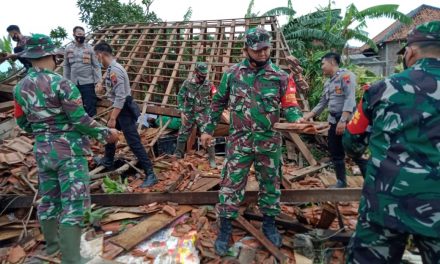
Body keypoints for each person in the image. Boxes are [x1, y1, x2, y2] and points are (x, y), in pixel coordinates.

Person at [13, 34, 119, 263]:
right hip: (68, 153)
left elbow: (21, 123)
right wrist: (106, 134)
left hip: (42, 151)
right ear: (51, 55)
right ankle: (72, 258)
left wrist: (44, 132)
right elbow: (80, 120)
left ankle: (52, 248)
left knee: (49, 200)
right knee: (74, 203)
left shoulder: (19, 89)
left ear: (30, 58)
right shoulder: (63, 84)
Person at [343, 21, 440, 263]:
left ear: (411, 52)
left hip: (385, 204)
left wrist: (366, 161)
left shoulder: (383, 88)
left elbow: (352, 141)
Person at [200, 27, 303, 256]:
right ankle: (225, 227)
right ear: (246, 48)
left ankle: (269, 223)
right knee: (231, 183)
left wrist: (298, 121)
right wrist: (207, 129)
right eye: (257, 50)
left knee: (270, 183)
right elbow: (217, 103)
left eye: (266, 49)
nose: (262, 54)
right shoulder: (232, 74)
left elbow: (291, 105)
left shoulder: (281, 76)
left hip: (269, 141)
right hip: (239, 141)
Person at [93, 41, 158, 188]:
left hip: (124, 110)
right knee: (108, 133)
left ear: (100, 55)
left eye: (96, 56)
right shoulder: (110, 69)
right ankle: (108, 159)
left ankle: (151, 174)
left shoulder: (115, 70)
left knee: (134, 142)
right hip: (120, 108)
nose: (95, 59)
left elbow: (121, 97)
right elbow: (115, 92)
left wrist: (113, 117)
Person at [300, 52, 367, 188]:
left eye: (323, 64)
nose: (322, 67)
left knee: (355, 152)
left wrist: (343, 120)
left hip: (346, 121)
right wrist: (308, 115)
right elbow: (322, 102)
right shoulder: (328, 82)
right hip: (333, 121)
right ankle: (341, 182)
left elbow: (350, 98)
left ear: (332, 63)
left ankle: (371, 183)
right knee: (336, 153)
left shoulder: (346, 76)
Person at [175, 62, 217, 168]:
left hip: (203, 113)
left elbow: (216, 97)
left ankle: (212, 159)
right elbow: (180, 97)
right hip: (189, 113)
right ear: (195, 72)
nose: (203, 77)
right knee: (182, 134)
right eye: (201, 75)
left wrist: (212, 111)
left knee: (208, 136)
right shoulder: (187, 83)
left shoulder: (209, 84)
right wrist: (182, 111)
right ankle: (178, 156)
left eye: (205, 75)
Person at [63, 26, 102, 117]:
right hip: (74, 84)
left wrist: (98, 81)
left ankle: (92, 126)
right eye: (79, 34)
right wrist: (66, 81)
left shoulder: (89, 48)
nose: (82, 36)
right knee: (76, 106)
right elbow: (66, 66)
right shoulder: (68, 49)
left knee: (90, 106)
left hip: (87, 82)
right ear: (74, 35)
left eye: (83, 35)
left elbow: (96, 66)